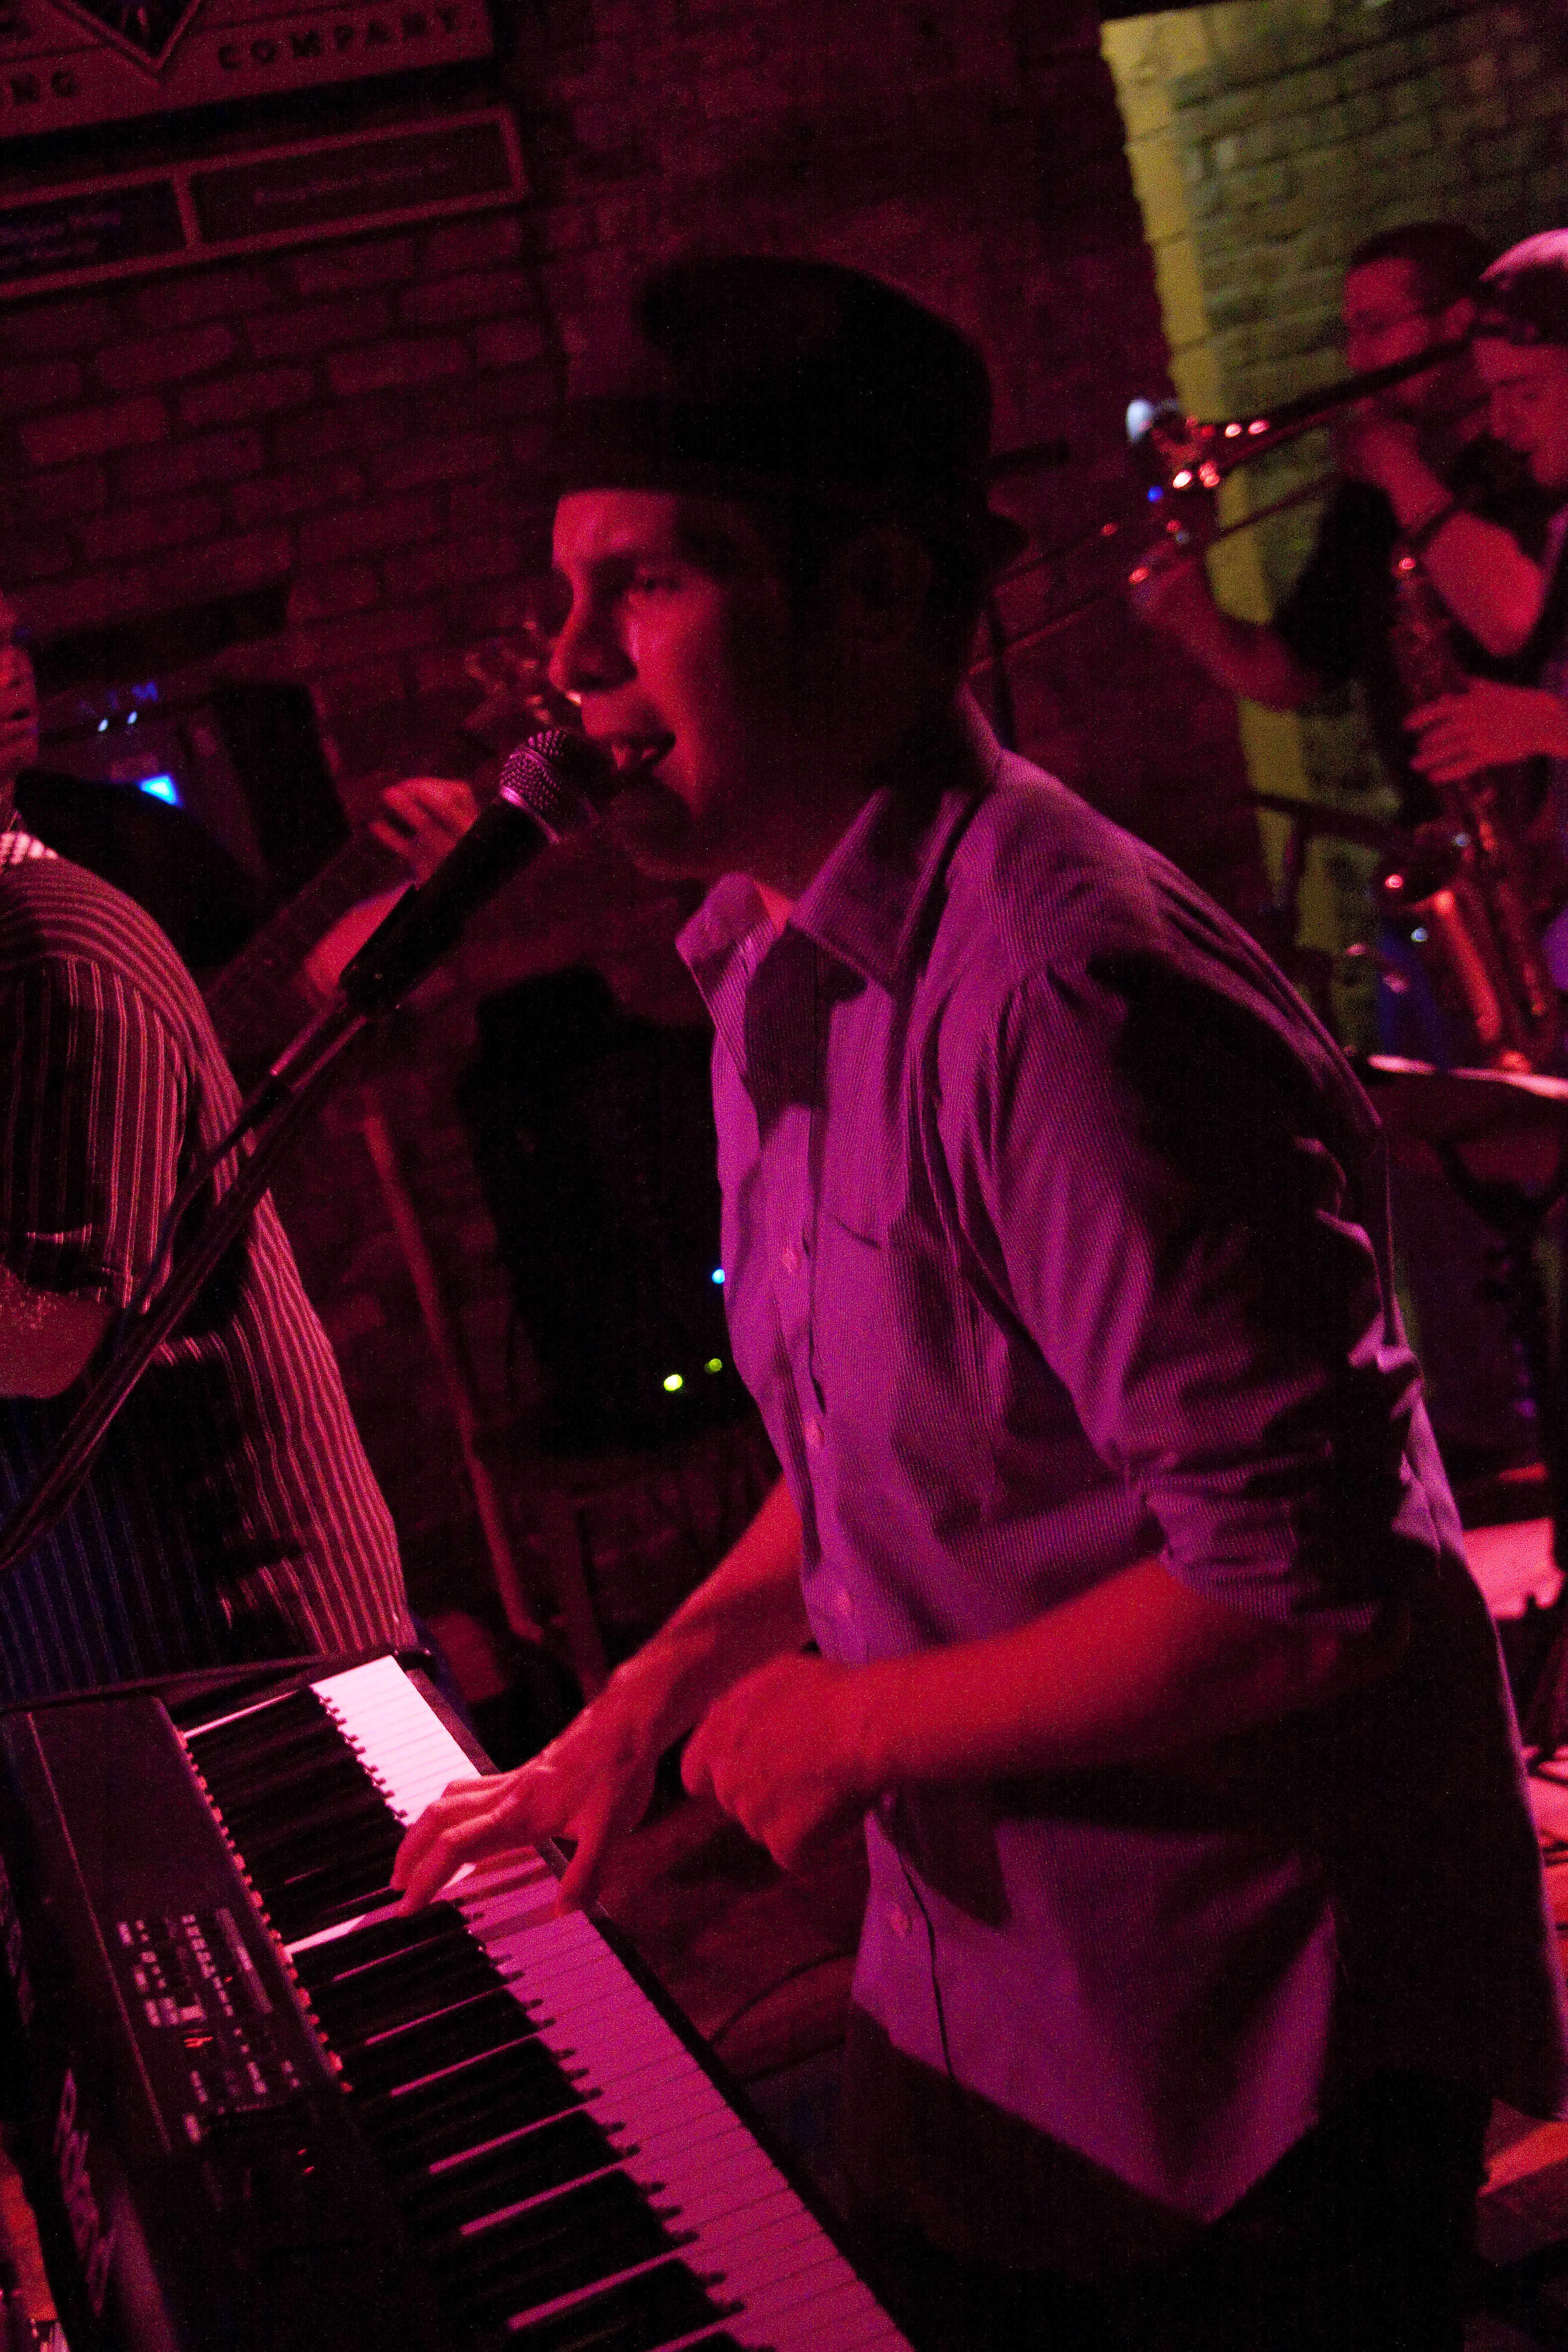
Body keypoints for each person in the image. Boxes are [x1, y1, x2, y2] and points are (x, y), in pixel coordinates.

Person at [391, 256, 1568, 2352]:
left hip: (1229, 2072)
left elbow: (1299, 1589)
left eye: (640, 586)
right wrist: (640, 1702)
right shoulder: (778, 962)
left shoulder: (1060, 996)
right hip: (1004, 2010)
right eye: (563, 597)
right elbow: (900, 1436)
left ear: (865, 593)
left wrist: (855, 1722)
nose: (564, 669)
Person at [0, 588, 417, 1697]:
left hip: (228, 1624)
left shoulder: (52, 942)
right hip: (106, 1620)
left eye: (9, 639)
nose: (10, 670)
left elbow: (43, 1341)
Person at [1134, 221, 1550, 833]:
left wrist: (1393, 463)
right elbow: (1297, 670)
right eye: (1351, 333)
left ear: (1458, 322)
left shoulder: (1537, 455)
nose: (1356, 359)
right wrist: (1192, 615)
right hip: (1450, 833)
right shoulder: (1372, 496)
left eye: (1376, 328)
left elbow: (1511, 618)